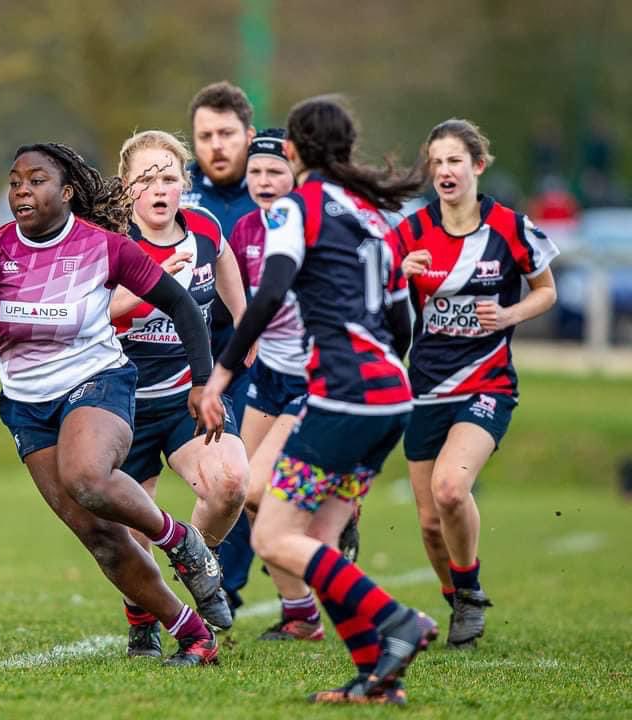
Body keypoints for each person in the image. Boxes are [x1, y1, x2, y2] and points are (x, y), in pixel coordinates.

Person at [0, 142, 230, 666]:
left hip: (97, 382)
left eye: (35, 181)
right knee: (99, 537)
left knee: (87, 477)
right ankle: (193, 635)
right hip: (27, 405)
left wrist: (202, 380)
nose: (22, 191)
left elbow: (182, 305)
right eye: (14, 182)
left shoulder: (103, 245)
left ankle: (180, 540)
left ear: (67, 191)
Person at [200, 96, 436, 704]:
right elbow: (399, 313)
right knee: (321, 544)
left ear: (297, 152)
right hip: (388, 394)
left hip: (343, 397)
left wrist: (222, 375)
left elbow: (270, 293)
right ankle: (375, 677)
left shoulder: (294, 210)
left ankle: (397, 621)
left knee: (274, 537)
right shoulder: (373, 212)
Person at [396, 119, 558, 648]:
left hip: (486, 385)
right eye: (437, 163)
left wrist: (509, 314)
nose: (445, 171)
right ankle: (458, 597)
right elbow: (373, 287)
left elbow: (547, 291)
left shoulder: (511, 227)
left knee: (450, 487)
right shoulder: (412, 231)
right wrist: (399, 270)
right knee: (426, 523)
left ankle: (469, 593)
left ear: (477, 166)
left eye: (455, 161)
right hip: (423, 388)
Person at [110, 130, 249, 656]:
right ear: (127, 189)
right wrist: (151, 285)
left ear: (184, 185)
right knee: (133, 536)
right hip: (118, 404)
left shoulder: (206, 228)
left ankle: (198, 559)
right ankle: (141, 617)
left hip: (185, 395)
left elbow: (226, 260)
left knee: (231, 483)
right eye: (146, 179)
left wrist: (241, 317)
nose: (159, 189)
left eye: (169, 177)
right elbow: (92, 316)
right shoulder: (111, 241)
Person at [227, 128, 331, 642]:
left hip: (313, 379)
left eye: (275, 172)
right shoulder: (244, 229)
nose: (264, 181)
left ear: (296, 175)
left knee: (259, 488)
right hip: (268, 375)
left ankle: (330, 513)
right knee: (245, 495)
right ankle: (300, 613)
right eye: (255, 173)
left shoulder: (314, 225)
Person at [181, 81, 260, 614]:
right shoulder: (179, 197)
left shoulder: (273, 193)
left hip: (258, 356)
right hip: (191, 358)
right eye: (205, 135)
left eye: (226, 134)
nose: (216, 145)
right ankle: (215, 583)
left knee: (249, 475)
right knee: (218, 473)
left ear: (249, 136)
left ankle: (230, 585)